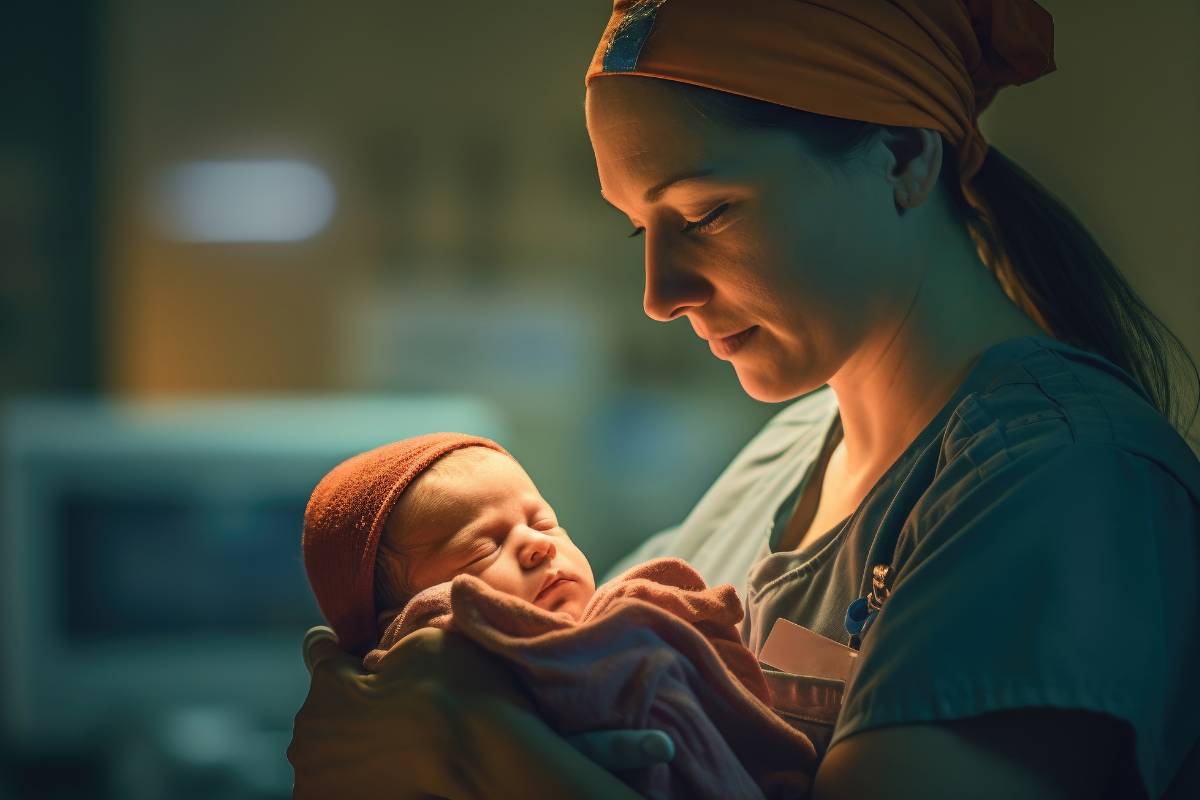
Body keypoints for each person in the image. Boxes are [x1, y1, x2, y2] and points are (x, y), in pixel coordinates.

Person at [287, 1, 1200, 797]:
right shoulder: (786, 456)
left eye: (707, 213)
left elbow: (474, 730)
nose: (659, 291)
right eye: (641, 226)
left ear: (901, 159)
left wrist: (470, 752)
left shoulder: (1063, 484)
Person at [294, 432, 820, 798]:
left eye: (544, 523)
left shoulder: (629, 613)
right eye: (480, 550)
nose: (536, 547)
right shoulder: (438, 658)